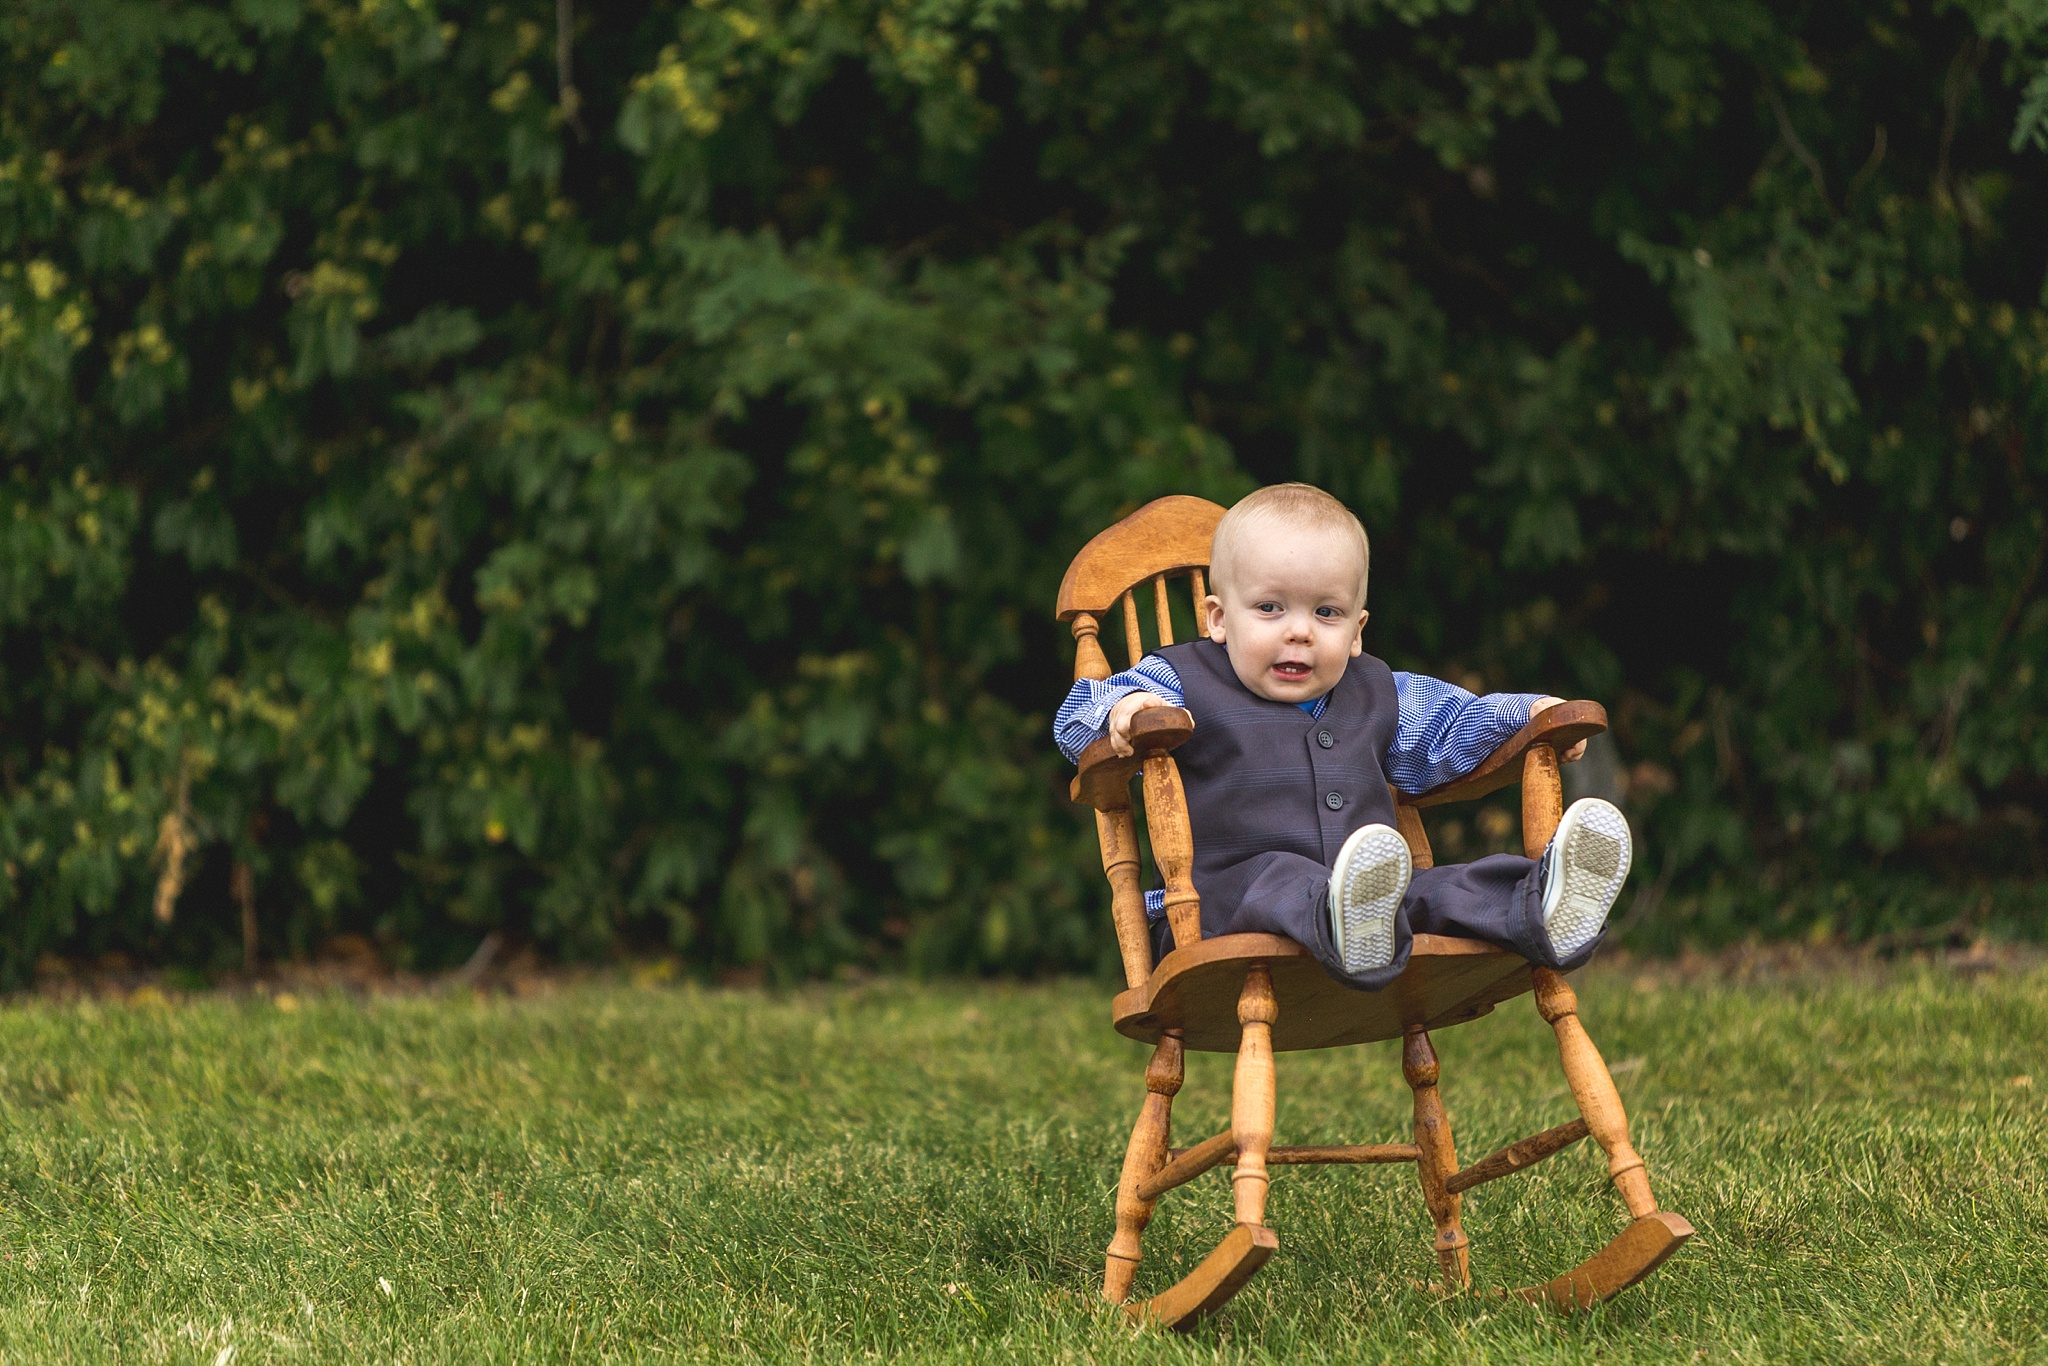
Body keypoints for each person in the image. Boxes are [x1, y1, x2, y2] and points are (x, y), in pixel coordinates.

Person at [1053, 483, 1632, 990]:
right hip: (1219, 908)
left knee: (1439, 887)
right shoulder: (1180, 679)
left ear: (1357, 631)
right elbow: (1075, 717)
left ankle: (1546, 902)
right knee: (1281, 877)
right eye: (1270, 608)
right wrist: (1124, 710)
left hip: (1372, 901)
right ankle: (1347, 916)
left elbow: (1455, 725)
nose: (1299, 631)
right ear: (1219, 619)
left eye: (1326, 613)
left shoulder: (1377, 689)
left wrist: (1531, 716)